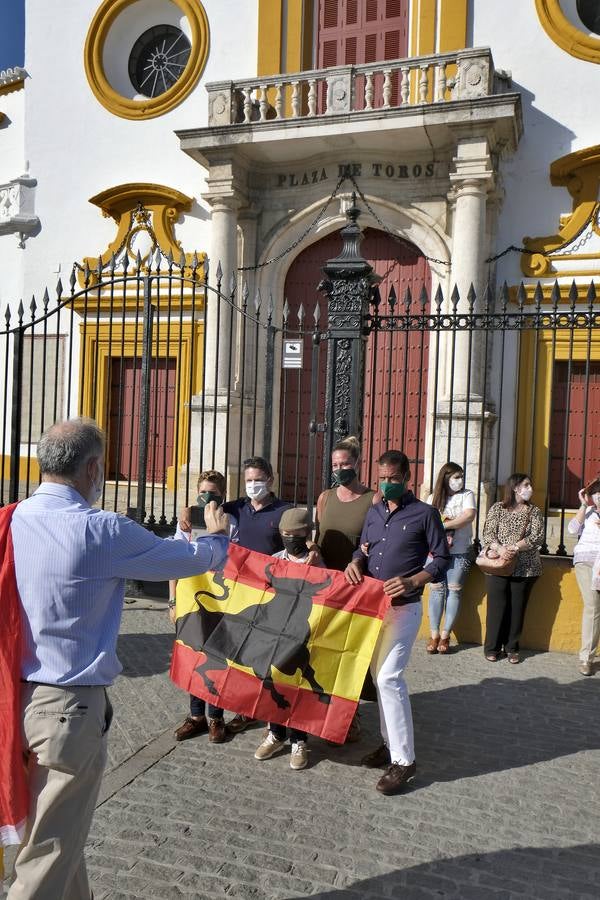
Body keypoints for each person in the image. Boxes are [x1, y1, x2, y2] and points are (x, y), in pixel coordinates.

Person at [5, 418, 230, 900]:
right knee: (47, 854)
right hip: (66, 709)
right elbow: (188, 560)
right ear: (92, 468)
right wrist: (217, 537)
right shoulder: (99, 529)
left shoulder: (10, 520)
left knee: (58, 838)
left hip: (12, 700)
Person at [345, 450, 450, 796]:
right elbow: (363, 548)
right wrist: (355, 562)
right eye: (382, 478)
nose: (387, 484)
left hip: (404, 609)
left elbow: (442, 559)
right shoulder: (373, 512)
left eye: (393, 478)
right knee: (378, 678)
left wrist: (413, 580)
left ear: (406, 478)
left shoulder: (425, 514)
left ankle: (405, 761)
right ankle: (389, 747)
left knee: (390, 677)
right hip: (372, 609)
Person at [254, 507, 325, 771]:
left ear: (306, 534)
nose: (288, 539)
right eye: (284, 534)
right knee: (273, 681)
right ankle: (276, 732)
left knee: (298, 685)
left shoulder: (317, 563)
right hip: (275, 633)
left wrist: (315, 565)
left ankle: (299, 739)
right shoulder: (275, 559)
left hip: (302, 635)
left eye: (294, 534)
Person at [170, 470, 238, 743]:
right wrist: (173, 600)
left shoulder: (230, 521)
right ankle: (196, 715)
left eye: (213, 493)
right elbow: (174, 560)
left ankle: (216, 717)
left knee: (216, 658)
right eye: (203, 492)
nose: (207, 497)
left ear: (223, 495)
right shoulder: (185, 522)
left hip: (221, 598)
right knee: (192, 656)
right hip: (190, 598)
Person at [315, 435, 375, 741]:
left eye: (346, 464)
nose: (340, 469)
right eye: (336, 465)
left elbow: (376, 544)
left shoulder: (373, 499)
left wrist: (359, 562)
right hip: (325, 588)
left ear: (358, 464)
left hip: (355, 588)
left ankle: (349, 715)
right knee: (322, 651)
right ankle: (323, 709)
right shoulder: (325, 497)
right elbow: (317, 536)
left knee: (349, 654)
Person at [481, 472, 544, 664]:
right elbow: (488, 533)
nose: (530, 489)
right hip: (499, 565)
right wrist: (501, 549)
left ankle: (512, 648)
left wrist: (516, 547)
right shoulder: (498, 508)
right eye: (526, 485)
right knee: (496, 607)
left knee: (517, 609)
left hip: (526, 567)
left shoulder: (534, 511)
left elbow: (537, 536)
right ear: (515, 488)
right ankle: (492, 647)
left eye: (530, 485)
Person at [425, 462, 476, 654]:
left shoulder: (467, 495)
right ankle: (434, 634)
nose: (459, 481)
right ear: (445, 478)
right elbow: (427, 521)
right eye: (455, 477)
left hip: (460, 550)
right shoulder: (433, 498)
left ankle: (446, 635)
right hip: (436, 552)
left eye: (461, 476)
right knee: (436, 590)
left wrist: (444, 525)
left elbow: (468, 516)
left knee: (454, 591)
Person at [568, 478, 600, 676]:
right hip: (587, 561)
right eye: (596, 492)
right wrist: (582, 504)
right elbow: (572, 529)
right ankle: (586, 658)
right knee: (593, 606)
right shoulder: (587, 512)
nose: (599, 496)